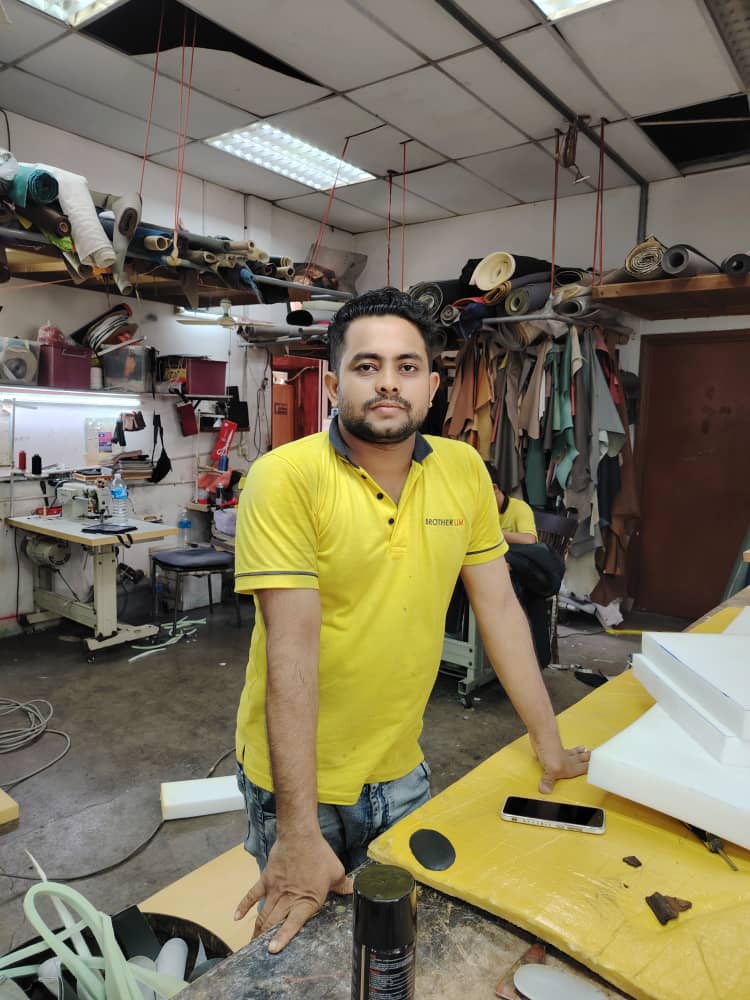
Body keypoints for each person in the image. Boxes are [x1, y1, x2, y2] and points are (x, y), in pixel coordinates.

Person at [232, 287, 590, 954]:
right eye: (367, 367)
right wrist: (300, 832)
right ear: (336, 383)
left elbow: (501, 609)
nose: (387, 383)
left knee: (395, 945)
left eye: (405, 366)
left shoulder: (461, 471)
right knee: (300, 957)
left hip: (401, 767)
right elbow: (291, 653)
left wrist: (550, 743)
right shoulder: (286, 479)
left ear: (433, 384)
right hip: (295, 780)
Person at [485, 461, 537, 545]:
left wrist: (492, 534)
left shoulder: (519, 508)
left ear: (494, 488)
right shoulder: (481, 511)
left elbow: (529, 539)